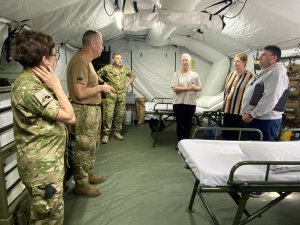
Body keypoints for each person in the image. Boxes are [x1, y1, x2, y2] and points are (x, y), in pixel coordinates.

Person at [12, 30, 76, 224]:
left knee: (49, 213)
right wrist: (56, 84)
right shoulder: (29, 88)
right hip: (42, 169)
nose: (55, 60)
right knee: (48, 218)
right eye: (54, 55)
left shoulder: (36, 82)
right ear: (45, 61)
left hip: (47, 163)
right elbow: (70, 116)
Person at [67, 30, 115, 197]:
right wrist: (101, 88)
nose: (103, 47)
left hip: (92, 111)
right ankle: (81, 183)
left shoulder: (87, 61)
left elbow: (90, 81)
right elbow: (80, 92)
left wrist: (102, 82)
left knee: (92, 145)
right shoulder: (80, 61)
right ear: (93, 44)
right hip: (84, 111)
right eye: (101, 43)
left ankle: (89, 174)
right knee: (83, 148)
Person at [241, 45, 289, 141]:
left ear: (273, 58)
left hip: (265, 120)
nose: (259, 57)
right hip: (256, 118)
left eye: (263, 55)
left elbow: (270, 98)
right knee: (252, 150)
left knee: (261, 153)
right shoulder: (265, 71)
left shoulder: (277, 72)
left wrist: (251, 115)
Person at [97, 52, 136, 144]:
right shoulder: (107, 68)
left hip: (122, 95)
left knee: (120, 114)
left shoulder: (125, 69)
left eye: (121, 58)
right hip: (111, 95)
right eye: (118, 58)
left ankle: (117, 132)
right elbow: (97, 75)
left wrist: (128, 83)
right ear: (113, 59)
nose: (120, 60)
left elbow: (133, 76)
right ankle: (106, 134)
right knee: (109, 115)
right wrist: (104, 83)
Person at [171, 53, 202, 146]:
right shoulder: (176, 74)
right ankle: (180, 143)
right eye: (183, 60)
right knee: (180, 124)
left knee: (188, 124)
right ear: (181, 62)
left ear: (190, 62)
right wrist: (188, 89)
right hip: (178, 103)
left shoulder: (195, 75)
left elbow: (200, 87)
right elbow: (174, 88)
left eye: (186, 60)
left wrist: (195, 88)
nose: (184, 62)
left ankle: (186, 144)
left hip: (191, 103)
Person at [222, 52, 253, 140]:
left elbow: (250, 94)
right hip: (228, 110)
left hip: (239, 111)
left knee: (235, 136)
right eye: (234, 61)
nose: (235, 63)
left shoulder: (250, 76)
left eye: (238, 61)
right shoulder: (231, 75)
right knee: (226, 135)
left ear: (244, 62)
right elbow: (226, 91)